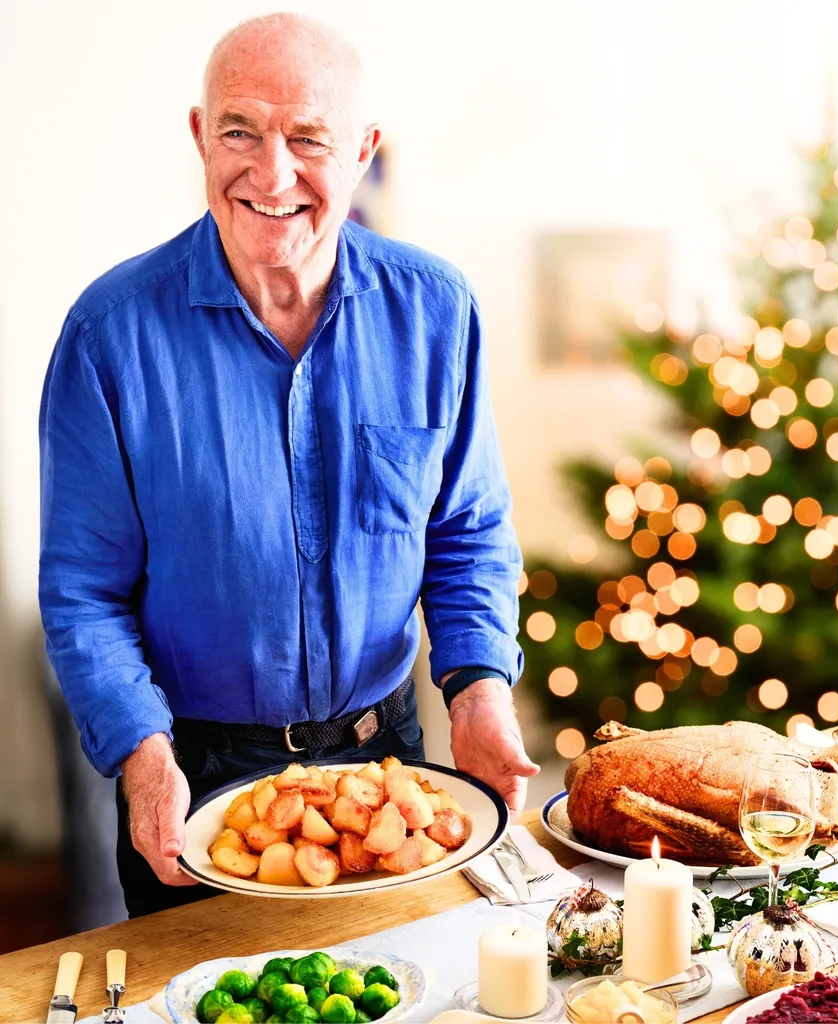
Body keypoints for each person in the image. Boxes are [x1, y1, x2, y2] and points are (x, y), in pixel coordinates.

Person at [39, 12, 538, 919]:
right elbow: (83, 592)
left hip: (388, 766)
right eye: (240, 130)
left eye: (308, 137)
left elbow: (465, 533)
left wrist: (476, 690)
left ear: (363, 150)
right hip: (196, 774)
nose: (272, 174)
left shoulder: (436, 312)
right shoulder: (108, 336)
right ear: (200, 134)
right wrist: (144, 757)